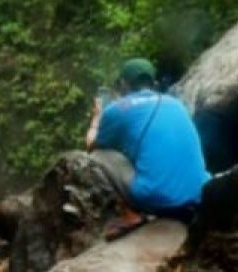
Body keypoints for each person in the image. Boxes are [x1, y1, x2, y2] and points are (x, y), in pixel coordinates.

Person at [86, 58, 210, 239]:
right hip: (200, 193)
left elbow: (92, 145)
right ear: (154, 84)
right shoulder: (176, 103)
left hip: (158, 200)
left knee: (99, 155)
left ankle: (131, 216)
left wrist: (97, 118)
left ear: (122, 85)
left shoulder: (117, 109)